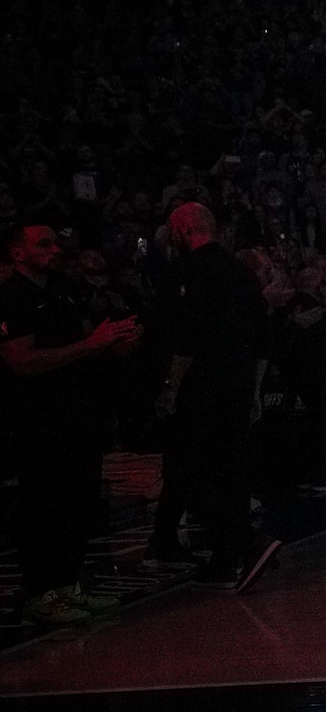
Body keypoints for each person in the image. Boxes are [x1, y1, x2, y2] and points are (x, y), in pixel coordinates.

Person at [2, 221, 141, 626]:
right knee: (44, 506)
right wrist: (91, 345)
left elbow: (82, 346)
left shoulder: (61, 292)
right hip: (37, 423)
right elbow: (22, 362)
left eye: (54, 242)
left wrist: (115, 341)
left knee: (76, 505)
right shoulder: (11, 298)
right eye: (41, 244)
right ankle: (40, 592)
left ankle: (67, 586)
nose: (54, 249)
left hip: (77, 417)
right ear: (18, 253)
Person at [153, 202, 278, 591]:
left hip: (200, 387)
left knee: (190, 473)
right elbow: (263, 337)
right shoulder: (240, 272)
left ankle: (244, 542)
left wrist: (170, 389)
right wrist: (254, 388)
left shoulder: (186, 271)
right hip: (237, 383)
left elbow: (185, 339)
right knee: (230, 470)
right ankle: (228, 558)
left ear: (185, 228)